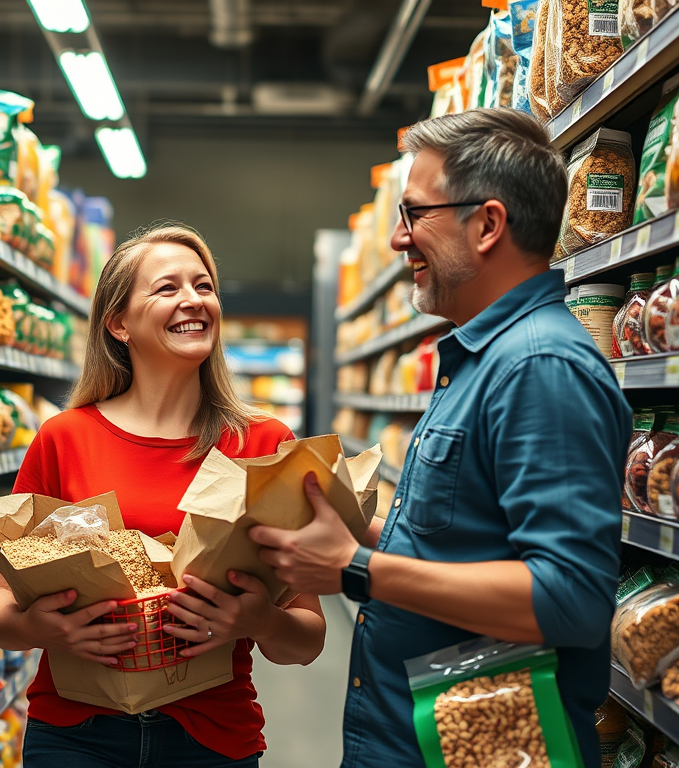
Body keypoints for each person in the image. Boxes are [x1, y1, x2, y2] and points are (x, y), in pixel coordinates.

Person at [251, 108, 632, 767]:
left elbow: (569, 600)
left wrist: (356, 568)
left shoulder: (538, 367)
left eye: (415, 214)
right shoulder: (485, 360)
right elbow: (470, 543)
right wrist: (356, 530)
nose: (399, 240)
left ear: (487, 224)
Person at [0, 223, 327, 768]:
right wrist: (38, 628)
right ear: (119, 323)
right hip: (77, 734)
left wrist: (258, 622)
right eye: (168, 288)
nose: (194, 299)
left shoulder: (265, 446)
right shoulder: (65, 439)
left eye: (204, 286)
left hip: (210, 738)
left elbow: (305, 641)